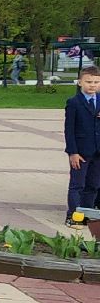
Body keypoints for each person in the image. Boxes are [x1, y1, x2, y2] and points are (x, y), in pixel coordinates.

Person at [63, 66, 100, 226]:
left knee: (93, 185)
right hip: (81, 152)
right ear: (80, 82)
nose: (92, 85)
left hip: (98, 152)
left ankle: (87, 213)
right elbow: (69, 129)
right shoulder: (74, 103)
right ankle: (73, 215)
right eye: (89, 82)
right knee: (78, 184)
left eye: (96, 82)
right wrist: (73, 152)